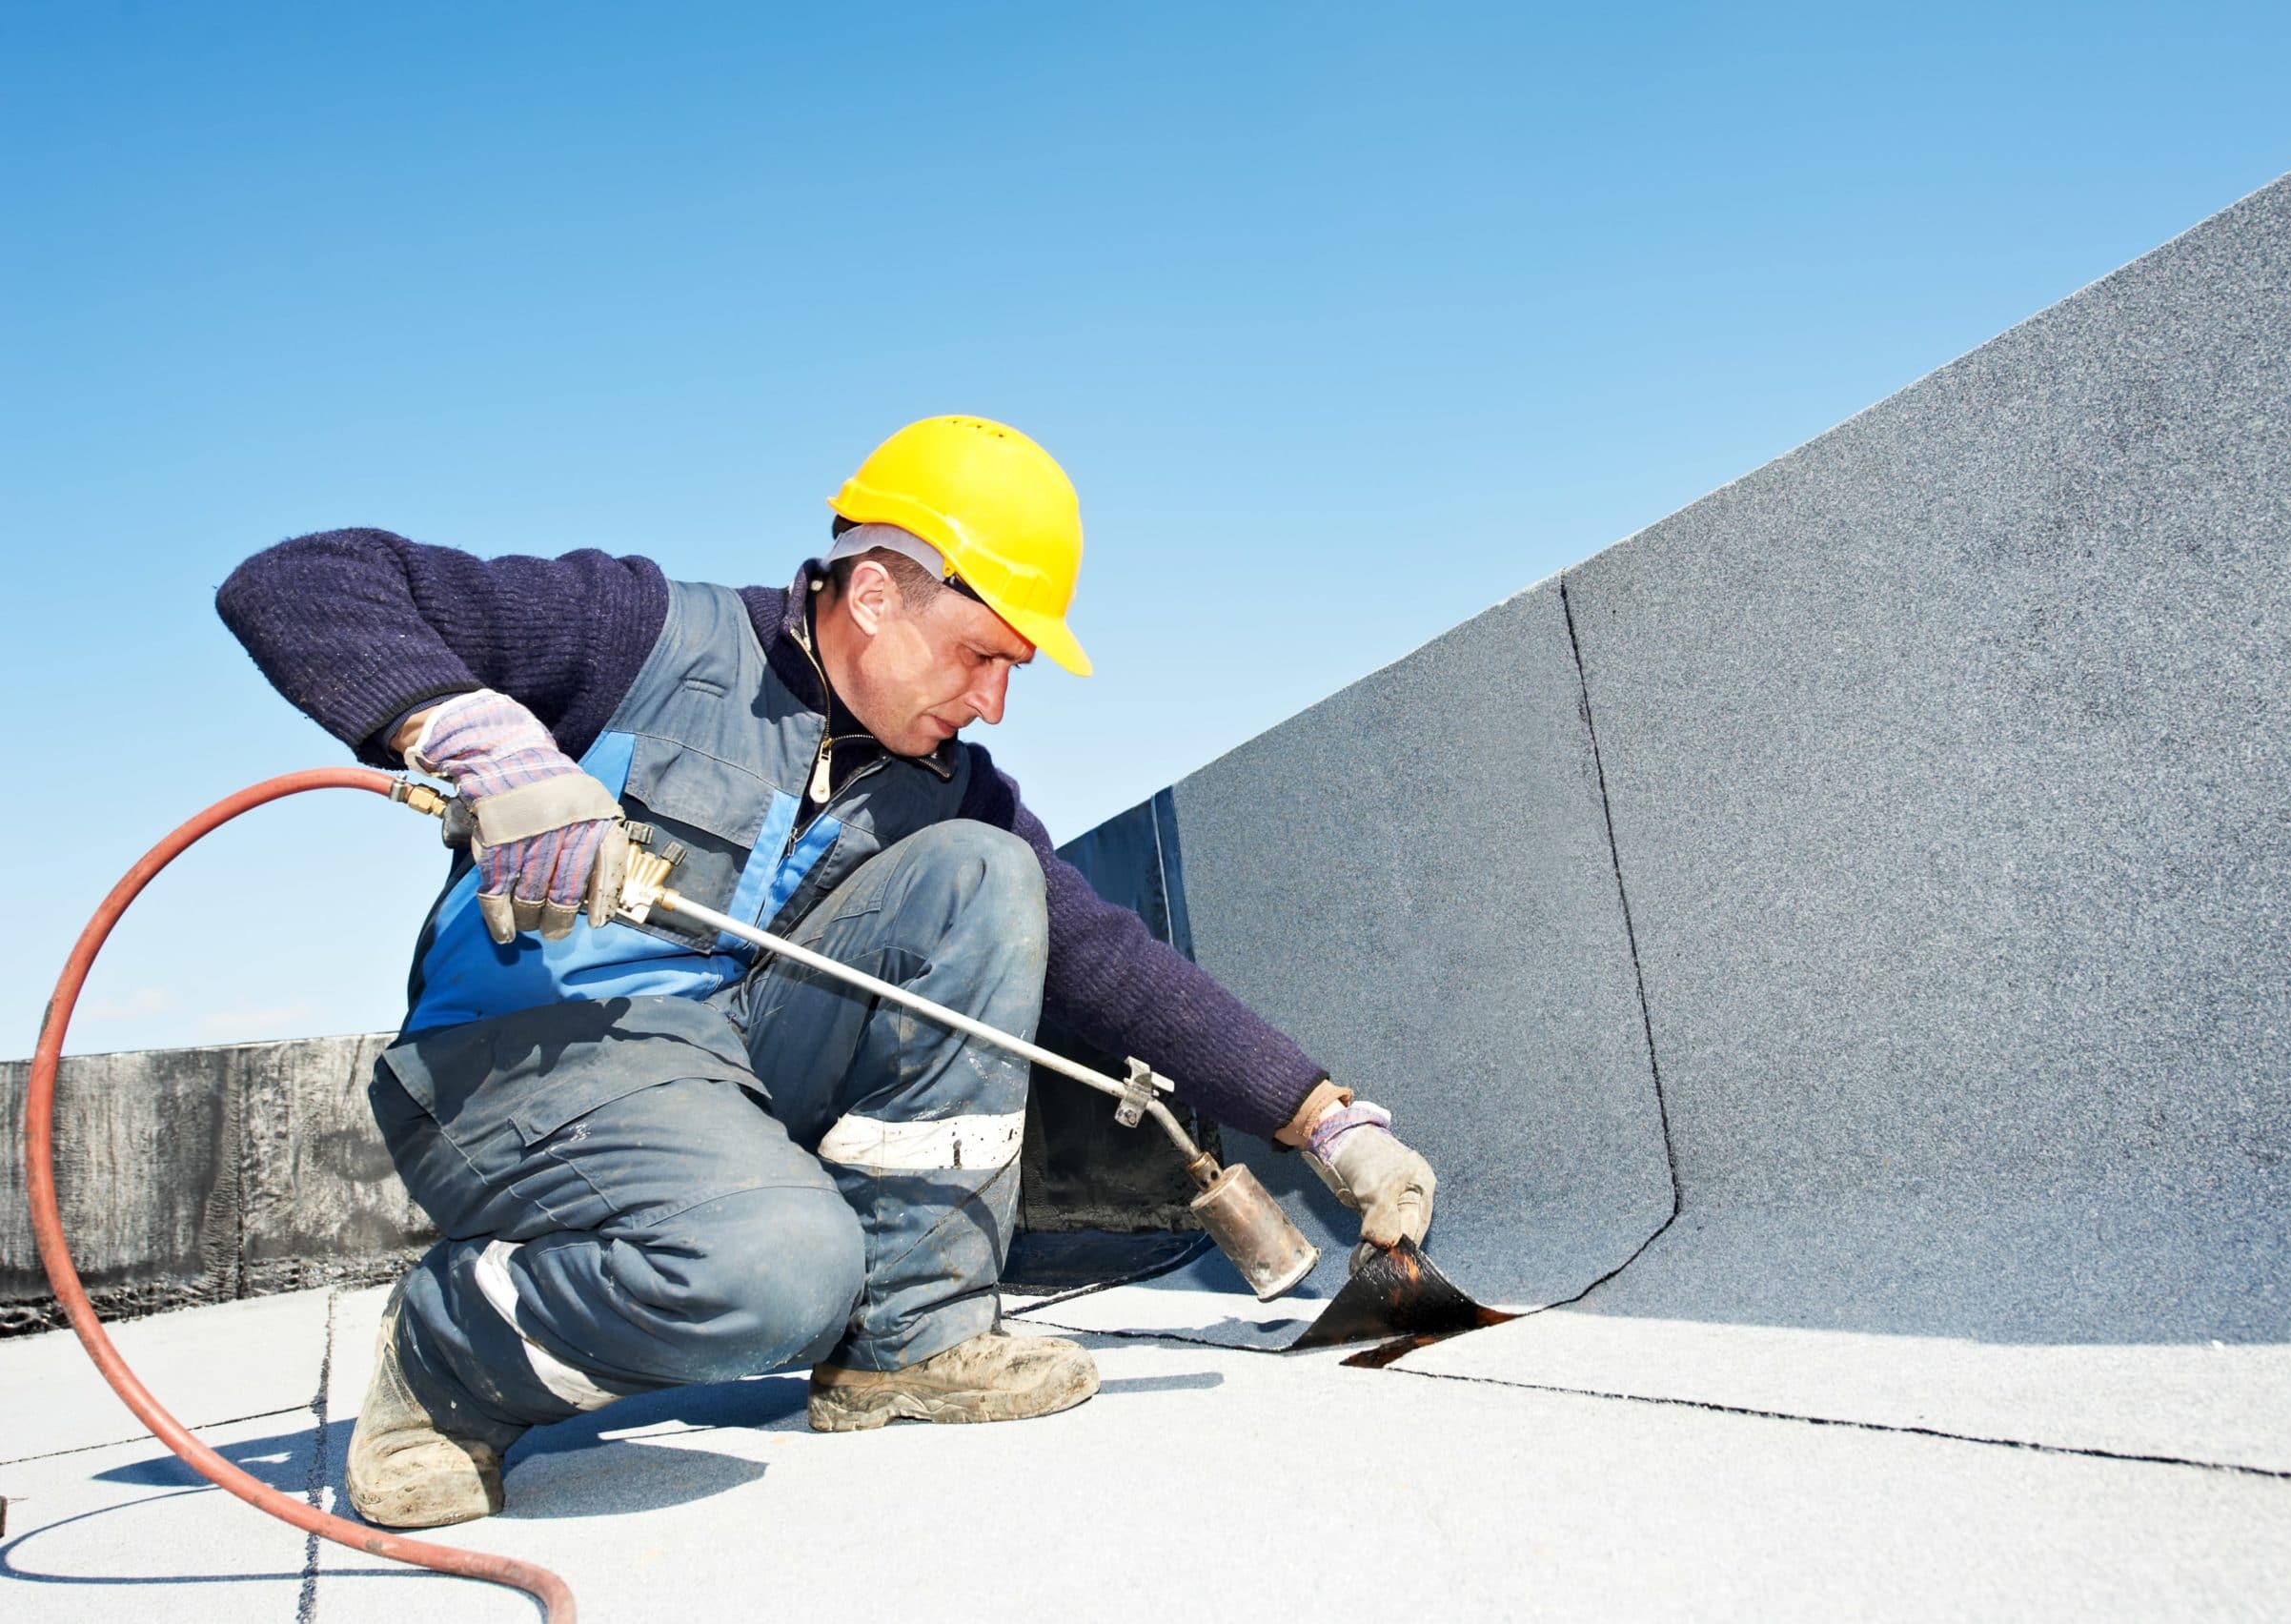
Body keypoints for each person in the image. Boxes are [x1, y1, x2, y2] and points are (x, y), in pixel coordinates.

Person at [215, 415, 1436, 1531]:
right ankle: (447, 1351)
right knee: (779, 1275)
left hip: (720, 1064)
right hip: (524, 1061)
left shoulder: (943, 784)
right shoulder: (642, 634)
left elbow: (1109, 963)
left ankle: (908, 1342)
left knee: (984, 877)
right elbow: (298, 581)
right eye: (980, 655)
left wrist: (1326, 1123)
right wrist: (479, 739)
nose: (995, 702)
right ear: (872, 592)